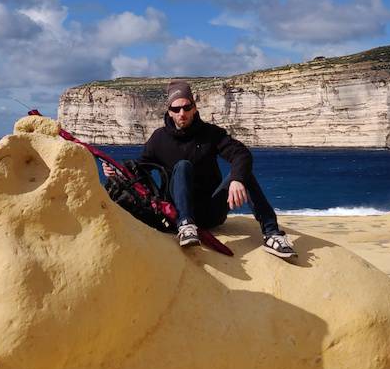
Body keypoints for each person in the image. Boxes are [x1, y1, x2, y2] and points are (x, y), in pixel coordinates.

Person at [104, 80, 296, 258]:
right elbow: (139, 169)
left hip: (211, 212)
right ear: (169, 111)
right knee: (183, 166)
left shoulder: (211, 133)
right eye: (176, 109)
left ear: (194, 108)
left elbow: (241, 154)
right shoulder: (158, 138)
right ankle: (186, 226)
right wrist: (115, 172)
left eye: (187, 107)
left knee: (244, 174)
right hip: (176, 215)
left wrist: (237, 179)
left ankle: (272, 234)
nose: (182, 113)